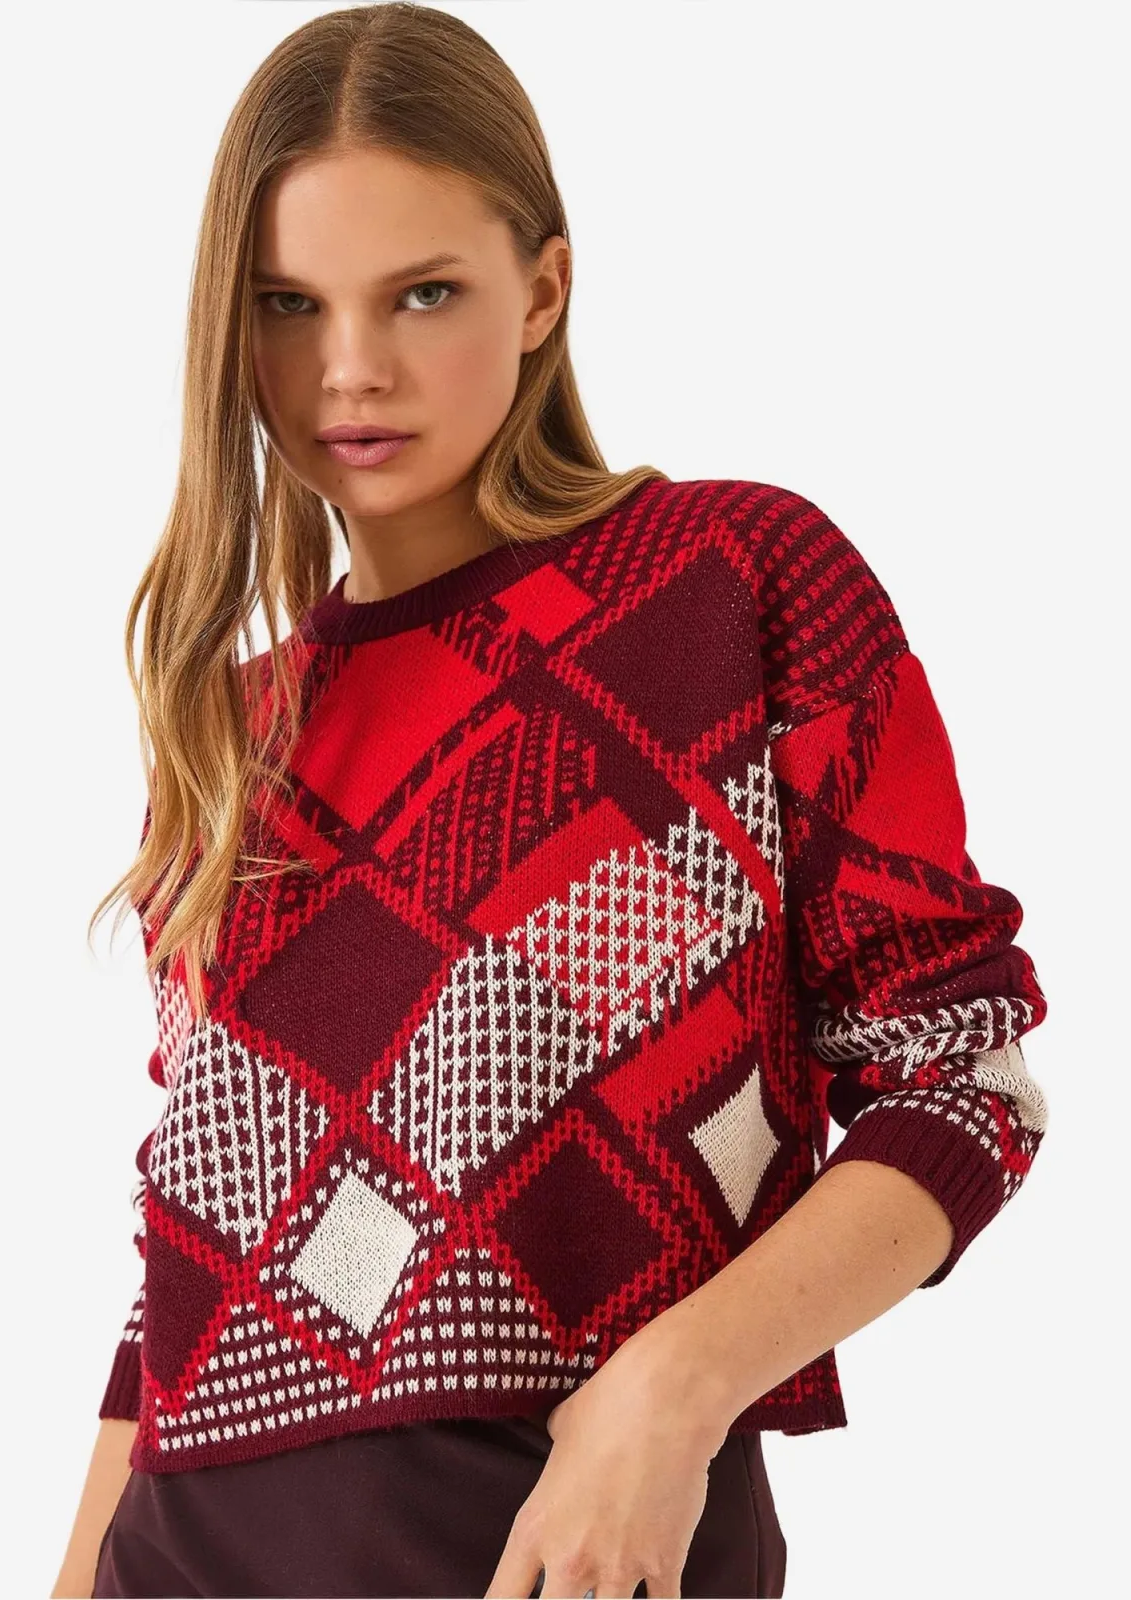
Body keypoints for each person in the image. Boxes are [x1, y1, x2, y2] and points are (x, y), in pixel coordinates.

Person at [51, 6, 1050, 1598]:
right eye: (288, 305)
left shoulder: (731, 587)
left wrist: (674, 1392)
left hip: (573, 1549)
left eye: (422, 292)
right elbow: (187, 1276)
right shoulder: (234, 729)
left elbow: (965, 1080)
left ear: (543, 290)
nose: (351, 368)